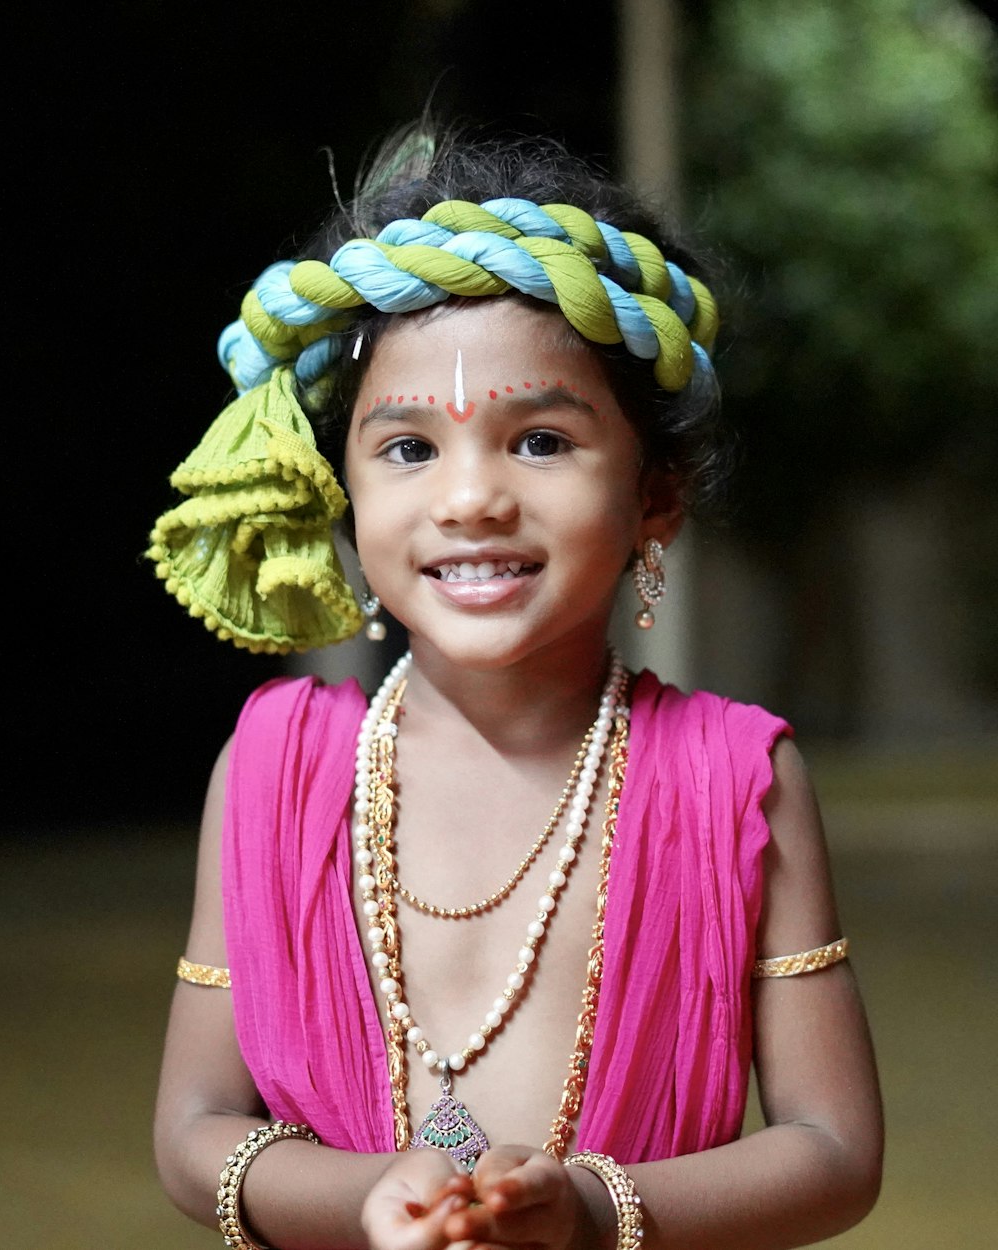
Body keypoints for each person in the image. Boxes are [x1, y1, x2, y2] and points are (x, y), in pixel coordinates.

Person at [149, 119, 883, 1250]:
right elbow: (194, 1126)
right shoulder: (272, 765)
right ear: (342, 488)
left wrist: (593, 1207)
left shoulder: (738, 777)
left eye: (539, 440)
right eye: (407, 449)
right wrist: (366, 1196)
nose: (471, 498)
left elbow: (834, 1152)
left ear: (655, 498)